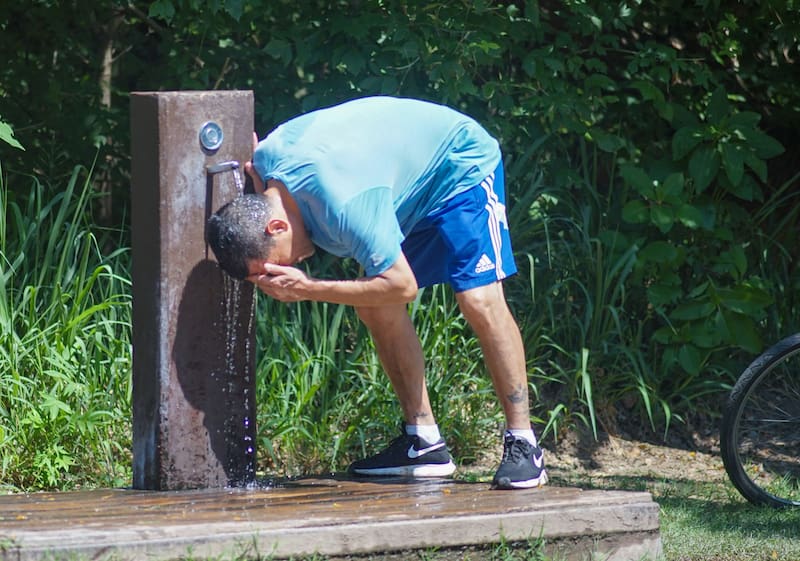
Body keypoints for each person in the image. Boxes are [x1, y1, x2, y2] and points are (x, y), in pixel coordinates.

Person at [206, 96, 547, 490]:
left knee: (478, 300)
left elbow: (404, 286)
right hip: (402, 188)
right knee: (375, 309)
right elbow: (262, 177)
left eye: (276, 265)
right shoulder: (266, 167)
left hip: (457, 164)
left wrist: (310, 288)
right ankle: (423, 442)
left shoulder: (345, 206)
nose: (286, 270)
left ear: (276, 228)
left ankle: (524, 444)